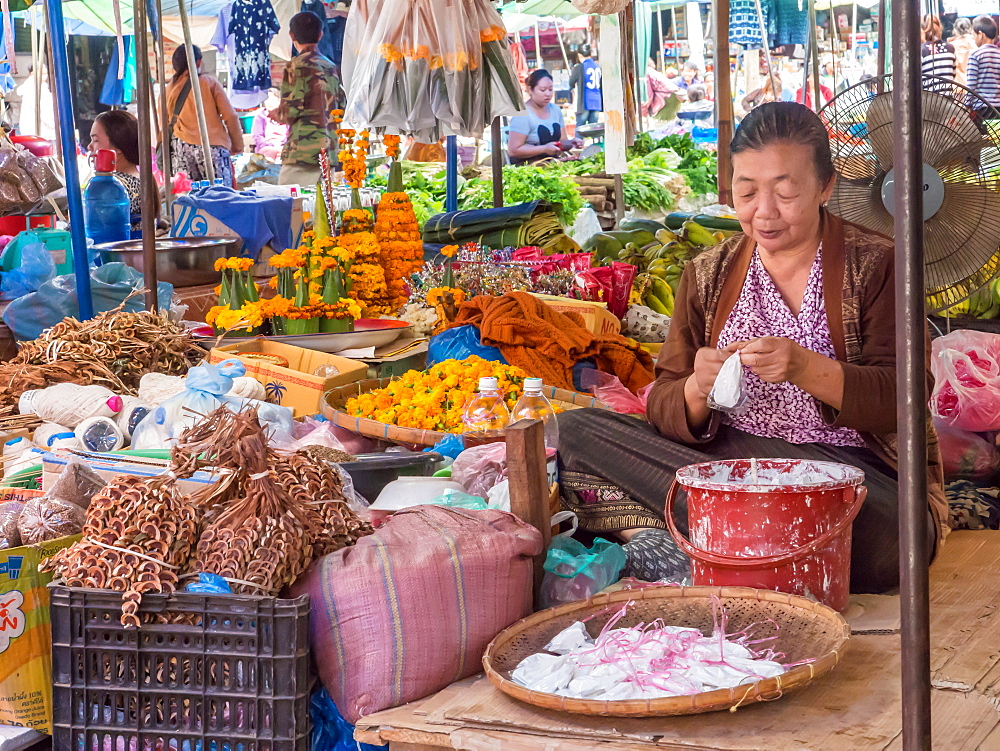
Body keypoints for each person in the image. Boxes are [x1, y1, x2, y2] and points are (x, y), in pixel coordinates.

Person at [556, 102, 947, 592]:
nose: (764, 211)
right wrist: (697, 390)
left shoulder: (879, 264)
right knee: (575, 431)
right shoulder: (707, 274)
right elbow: (662, 399)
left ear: (826, 186)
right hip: (732, 469)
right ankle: (736, 542)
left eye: (785, 191)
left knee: (896, 541)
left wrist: (806, 368)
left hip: (852, 481)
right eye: (746, 192)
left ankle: (697, 539)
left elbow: (908, 397)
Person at [273, 11, 341, 186]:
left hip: (302, 152)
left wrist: (276, 114)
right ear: (320, 34)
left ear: (291, 35)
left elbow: (290, 111)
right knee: (323, 211)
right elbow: (340, 106)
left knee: (291, 208)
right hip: (329, 150)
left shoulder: (296, 65)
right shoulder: (330, 66)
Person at [165, 45, 243, 185]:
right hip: (212, 147)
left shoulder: (168, 90)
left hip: (181, 149)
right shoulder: (209, 83)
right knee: (221, 196)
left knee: (191, 198)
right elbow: (230, 117)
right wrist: (237, 146)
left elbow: (164, 123)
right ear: (198, 62)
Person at [507, 69, 583, 165]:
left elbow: (562, 140)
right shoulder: (523, 114)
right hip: (528, 168)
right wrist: (544, 149)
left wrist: (571, 143)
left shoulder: (555, 110)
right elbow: (513, 150)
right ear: (530, 90)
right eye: (542, 90)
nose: (548, 94)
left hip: (553, 165)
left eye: (550, 89)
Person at [89, 110, 142, 229]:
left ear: (118, 146)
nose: (89, 146)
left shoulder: (112, 186)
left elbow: (88, 229)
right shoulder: (143, 179)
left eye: (96, 140)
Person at [967, 15, 1000, 117]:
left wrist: (967, 104)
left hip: (982, 108)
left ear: (980, 34)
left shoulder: (975, 54)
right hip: (998, 108)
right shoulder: (999, 54)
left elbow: (971, 85)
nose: (974, 39)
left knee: (984, 133)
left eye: (974, 35)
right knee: (996, 133)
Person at [920, 14, 958, 93]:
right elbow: (953, 74)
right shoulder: (950, 48)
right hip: (948, 100)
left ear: (923, 30)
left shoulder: (921, 50)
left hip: (929, 101)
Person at [568, 44, 603, 128]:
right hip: (596, 101)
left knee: (580, 127)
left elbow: (571, 82)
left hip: (584, 102)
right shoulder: (597, 66)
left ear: (579, 55)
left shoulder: (580, 67)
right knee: (594, 128)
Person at [251, 88, 289, 160]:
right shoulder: (260, 116)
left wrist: (284, 147)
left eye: (273, 100)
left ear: (280, 101)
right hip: (266, 148)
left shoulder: (286, 116)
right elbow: (257, 137)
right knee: (270, 152)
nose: (270, 103)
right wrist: (274, 147)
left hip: (284, 148)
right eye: (267, 100)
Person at [949, 17, 977, 84]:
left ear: (955, 30)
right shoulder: (975, 44)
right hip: (973, 84)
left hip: (957, 85)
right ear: (970, 28)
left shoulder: (950, 46)